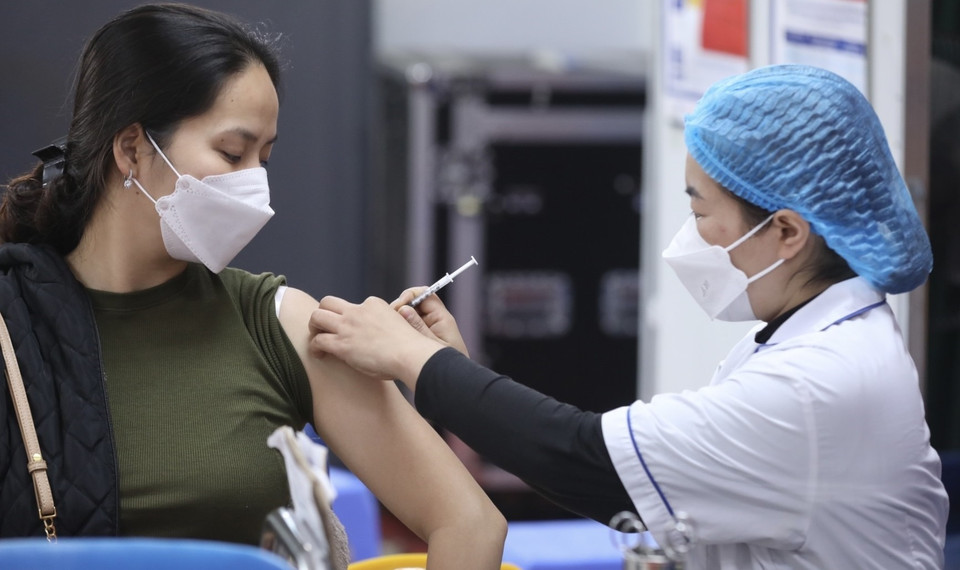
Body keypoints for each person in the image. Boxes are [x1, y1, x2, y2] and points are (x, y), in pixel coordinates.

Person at [309, 64, 950, 569]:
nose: (688, 236)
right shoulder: (813, 341)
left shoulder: (818, 388)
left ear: (785, 231)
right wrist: (452, 372)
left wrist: (416, 361)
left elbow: (588, 462)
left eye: (701, 214)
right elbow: (623, 468)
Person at [0, 4, 506, 568]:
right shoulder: (10, 324)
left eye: (263, 159)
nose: (254, 188)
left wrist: (441, 376)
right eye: (232, 153)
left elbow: (469, 521)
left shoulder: (280, 324)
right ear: (132, 149)